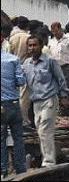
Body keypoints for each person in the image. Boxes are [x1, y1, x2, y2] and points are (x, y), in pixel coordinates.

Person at [22, 35, 69, 167]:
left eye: (34, 45)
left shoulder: (50, 61)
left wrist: (64, 96)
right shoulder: (27, 64)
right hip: (36, 102)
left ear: (41, 46)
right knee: (41, 131)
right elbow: (21, 80)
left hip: (49, 100)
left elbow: (60, 78)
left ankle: (48, 162)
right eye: (29, 46)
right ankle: (53, 156)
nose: (32, 48)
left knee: (44, 130)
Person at [2, 20, 27, 178]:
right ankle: (20, 169)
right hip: (13, 104)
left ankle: (2, 170)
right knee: (18, 137)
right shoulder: (13, 60)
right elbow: (21, 81)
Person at [48, 22, 69, 116]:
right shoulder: (51, 41)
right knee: (58, 88)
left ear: (61, 29)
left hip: (67, 66)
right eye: (53, 32)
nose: (55, 33)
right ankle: (63, 109)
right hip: (55, 67)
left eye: (56, 31)